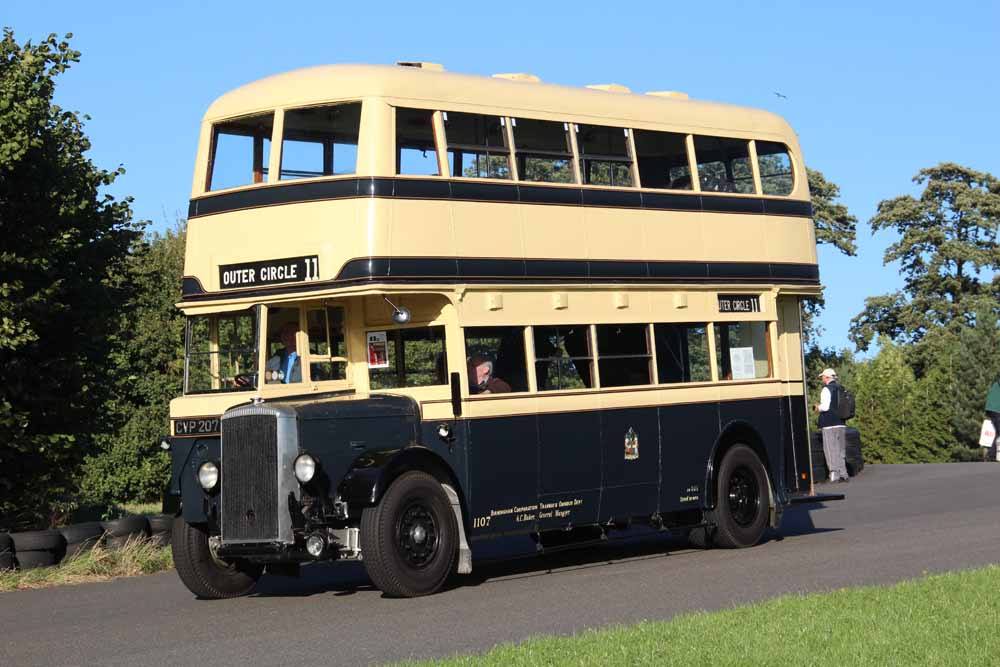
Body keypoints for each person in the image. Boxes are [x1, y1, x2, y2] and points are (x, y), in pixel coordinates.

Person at [815, 367, 849, 483]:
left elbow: (825, 406)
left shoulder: (826, 389)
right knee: (840, 450)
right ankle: (844, 473)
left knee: (830, 449)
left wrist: (816, 408)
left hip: (829, 423)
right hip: (841, 423)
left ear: (827, 377)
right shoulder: (841, 388)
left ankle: (834, 475)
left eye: (823, 377)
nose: (822, 379)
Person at [984, 378, 1000, 461]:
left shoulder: (996, 384)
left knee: (998, 432)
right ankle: (991, 454)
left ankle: (991, 454)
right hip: (996, 409)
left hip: (993, 409)